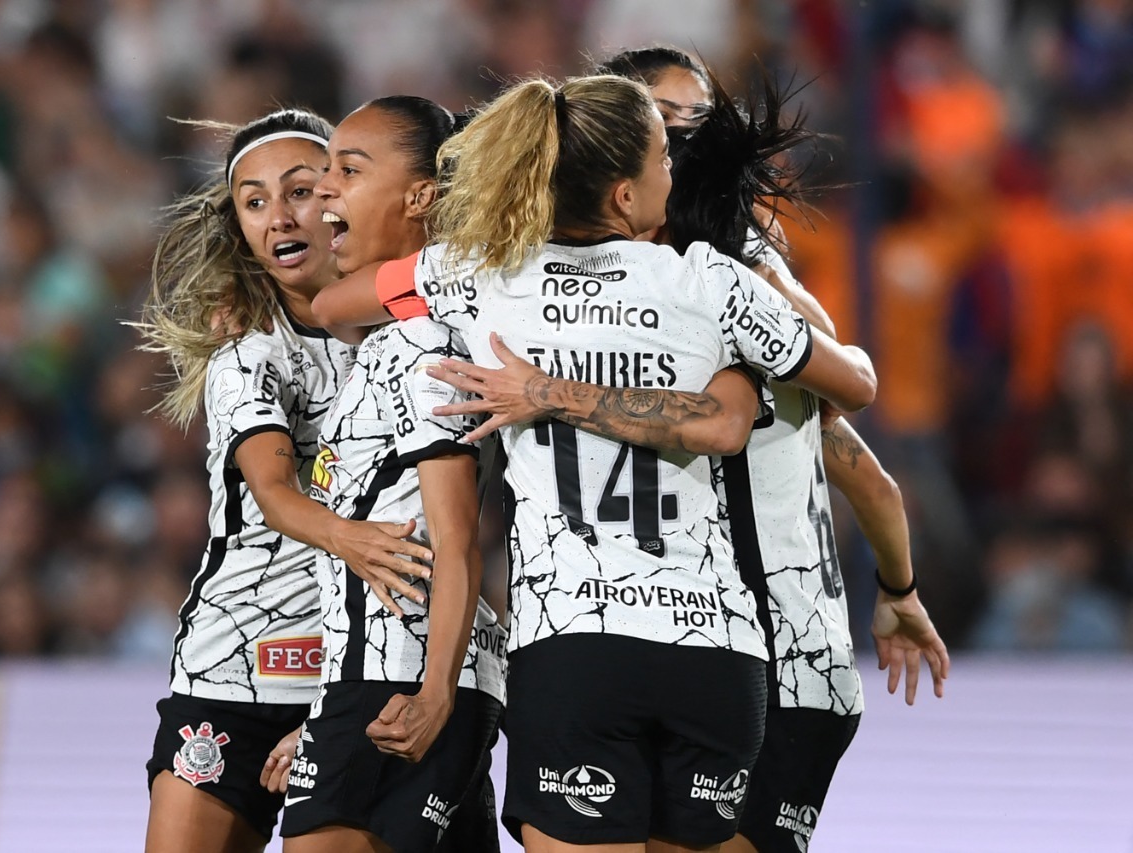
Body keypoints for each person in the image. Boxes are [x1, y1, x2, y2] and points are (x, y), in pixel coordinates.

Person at [313, 73, 877, 852]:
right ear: (622, 195)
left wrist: (531, 371)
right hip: (715, 648)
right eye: (661, 161)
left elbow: (331, 308)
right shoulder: (710, 280)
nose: (673, 176)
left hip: (575, 643)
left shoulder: (481, 276)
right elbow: (857, 380)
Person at [442, 47, 948, 853]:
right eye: (661, 121)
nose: (682, 140)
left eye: (695, 119)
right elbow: (861, 462)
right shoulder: (704, 285)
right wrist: (899, 586)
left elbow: (836, 412)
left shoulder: (723, 278)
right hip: (728, 657)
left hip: (766, 656)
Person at [134, 108, 436, 853]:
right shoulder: (249, 350)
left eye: (300, 190)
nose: (279, 217)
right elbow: (273, 492)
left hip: (361, 669)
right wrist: (356, 542)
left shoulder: (415, 331)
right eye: (254, 201)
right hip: (234, 667)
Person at [270, 95, 506, 853]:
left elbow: (456, 531)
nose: (324, 186)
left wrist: (434, 687)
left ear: (421, 196)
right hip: (388, 673)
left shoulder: (418, 343)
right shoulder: (389, 339)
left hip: (404, 681)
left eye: (349, 168)